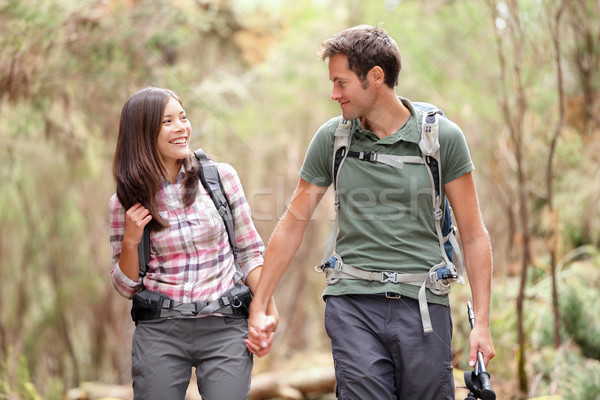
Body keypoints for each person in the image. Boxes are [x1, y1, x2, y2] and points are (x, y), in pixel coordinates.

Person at [246, 25, 495, 399]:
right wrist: (260, 302)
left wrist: (483, 325)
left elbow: (475, 234)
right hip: (352, 304)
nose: (334, 94)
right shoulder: (333, 138)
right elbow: (292, 225)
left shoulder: (442, 138)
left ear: (375, 77)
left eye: (341, 83)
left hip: (425, 307)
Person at [109, 86, 277, 400]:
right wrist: (131, 242)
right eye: (167, 122)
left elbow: (250, 251)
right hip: (160, 332)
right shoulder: (125, 202)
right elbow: (125, 287)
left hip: (225, 325)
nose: (181, 128)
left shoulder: (220, 178)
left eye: (183, 118)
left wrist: (266, 307)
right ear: (142, 134)